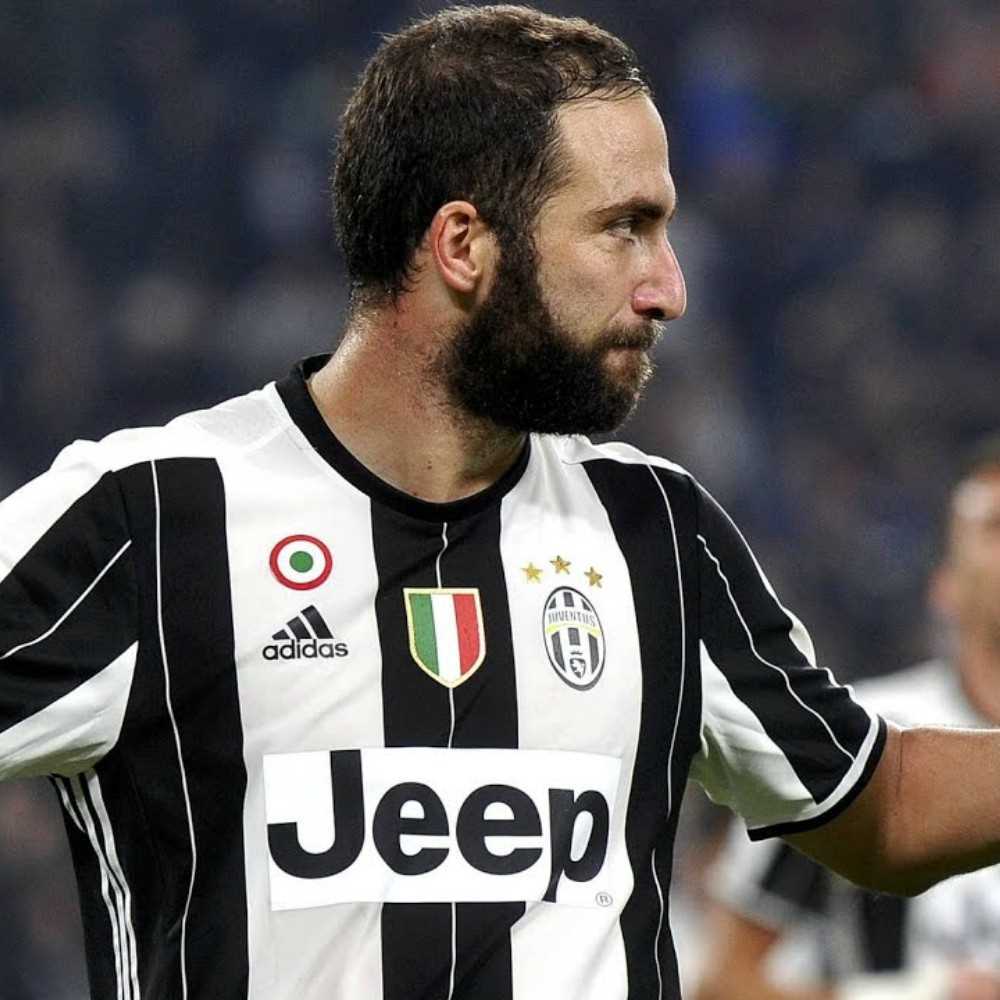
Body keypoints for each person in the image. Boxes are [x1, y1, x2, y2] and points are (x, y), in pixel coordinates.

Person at [0, 6, 998, 999]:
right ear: (463, 245)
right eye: (625, 229)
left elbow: (883, 806)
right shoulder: (157, 517)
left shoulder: (656, 533)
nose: (668, 289)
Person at [695, 439, 1000, 1000]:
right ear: (946, 587)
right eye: (996, 526)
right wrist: (908, 996)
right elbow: (724, 984)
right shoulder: (856, 736)